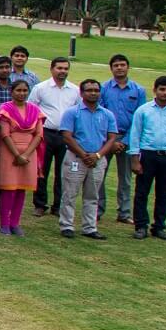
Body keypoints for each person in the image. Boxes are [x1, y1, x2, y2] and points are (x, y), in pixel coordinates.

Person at [55, 78, 121, 240]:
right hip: (76, 158)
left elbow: (112, 138)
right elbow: (67, 136)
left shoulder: (107, 114)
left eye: (96, 90)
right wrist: (84, 155)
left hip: (98, 159)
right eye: (89, 90)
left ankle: (90, 227)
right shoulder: (72, 112)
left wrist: (97, 155)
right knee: (70, 193)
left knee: (93, 195)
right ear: (82, 93)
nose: (93, 93)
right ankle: (67, 225)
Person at [127, 75, 166, 241]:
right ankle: (141, 226)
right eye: (162, 89)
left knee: (163, 194)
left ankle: (159, 227)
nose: (165, 93)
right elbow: (135, 135)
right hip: (148, 155)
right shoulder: (144, 110)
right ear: (155, 90)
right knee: (142, 192)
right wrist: (135, 159)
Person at [97, 55, 147, 224]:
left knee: (125, 177)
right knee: (100, 175)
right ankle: (98, 209)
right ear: (111, 68)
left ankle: (124, 213)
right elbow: (100, 114)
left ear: (128, 67)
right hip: (106, 138)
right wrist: (111, 140)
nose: (119, 68)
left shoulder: (138, 90)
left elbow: (139, 118)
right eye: (116, 65)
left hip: (129, 137)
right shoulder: (103, 88)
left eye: (122, 65)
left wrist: (125, 141)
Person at [27, 58, 78, 215]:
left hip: (66, 135)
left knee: (63, 171)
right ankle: (40, 204)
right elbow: (32, 109)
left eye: (65, 68)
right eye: (59, 68)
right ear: (52, 69)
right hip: (45, 132)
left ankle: (58, 205)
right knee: (42, 169)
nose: (62, 71)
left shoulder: (75, 90)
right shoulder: (41, 88)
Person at [0, 79, 44, 237]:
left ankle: (15, 223)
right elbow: (4, 134)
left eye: (24, 91)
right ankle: (4, 224)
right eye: (18, 90)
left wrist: (26, 154)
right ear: (11, 91)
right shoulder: (5, 109)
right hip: (9, 151)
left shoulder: (35, 110)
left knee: (22, 188)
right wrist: (17, 154)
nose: (22, 94)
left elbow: (39, 134)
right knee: (9, 188)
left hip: (29, 152)